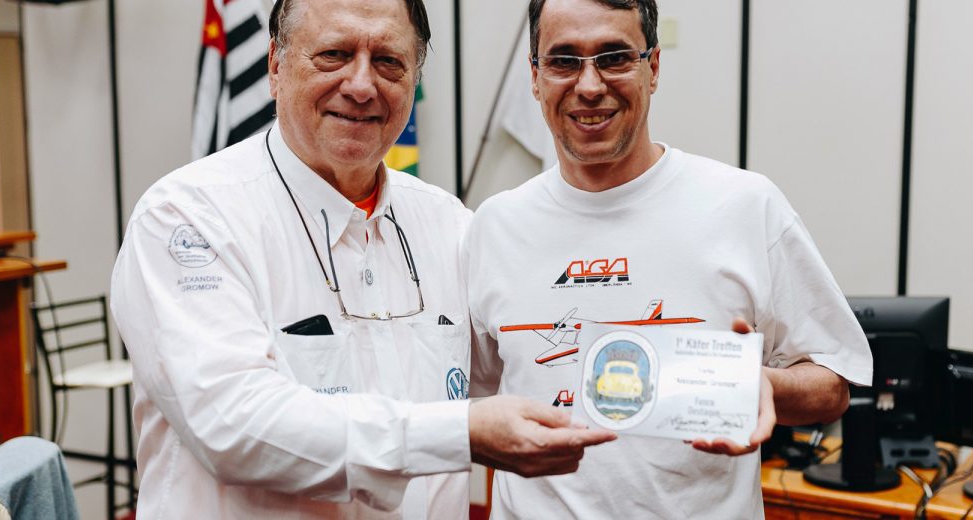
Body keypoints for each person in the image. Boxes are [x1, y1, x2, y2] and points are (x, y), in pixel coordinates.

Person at [110, 0, 614, 518]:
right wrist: (458, 434)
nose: (361, 85)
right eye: (334, 54)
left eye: (389, 62)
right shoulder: (189, 219)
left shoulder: (449, 225)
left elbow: (536, 360)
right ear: (275, 66)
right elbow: (234, 425)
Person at [463, 0, 874, 517]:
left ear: (653, 67)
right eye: (563, 61)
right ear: (535, 76)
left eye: (614, 57)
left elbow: (834, 382)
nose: (589, 86)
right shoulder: (493, 225)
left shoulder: (745, 206)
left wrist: (763, 384)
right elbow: (462, 396)